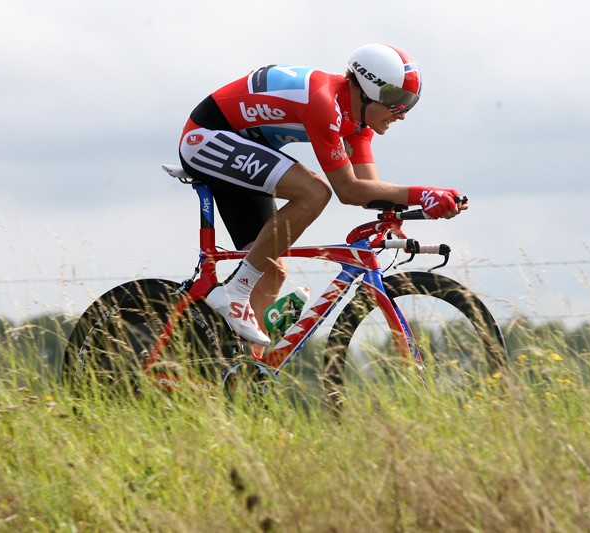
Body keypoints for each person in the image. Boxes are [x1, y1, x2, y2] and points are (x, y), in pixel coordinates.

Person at [178, 43, 467, 347]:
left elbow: (368, 192)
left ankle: (245, 372)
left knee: (272, 272)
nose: (402, 114)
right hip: (206, 138)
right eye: (398, 101)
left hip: (241, 145)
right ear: (369, 88)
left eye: (409, 103)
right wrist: (424, 195)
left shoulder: (358, 123)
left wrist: (407, 209)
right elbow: (347, 190)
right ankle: (234, 292)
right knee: (315, 192)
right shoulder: (324, 102)